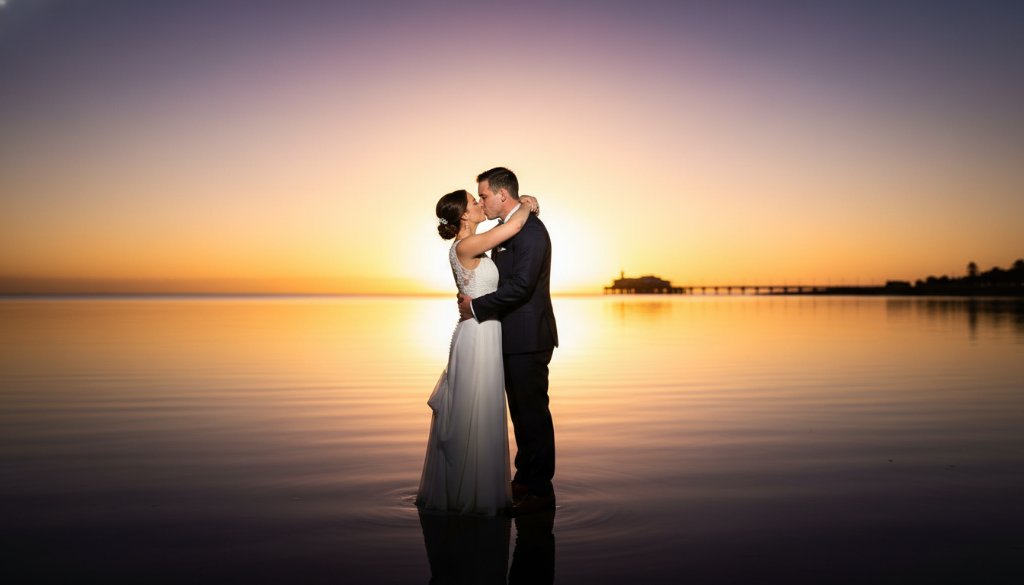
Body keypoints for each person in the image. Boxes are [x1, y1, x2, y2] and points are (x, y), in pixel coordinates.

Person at [417, 188, 539, 516]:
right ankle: (472, 495)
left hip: (485, 331)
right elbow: (511, 228)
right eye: (474, 201)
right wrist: (524, 204)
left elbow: (503, 235)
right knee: (475, 408)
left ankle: (478, 488)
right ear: (464, 216)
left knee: (482, 408)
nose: (480, 204)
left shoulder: (475, 242)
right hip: (477, 335)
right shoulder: (467, 245)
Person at [458, 167, 558, 515]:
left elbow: (521, 287)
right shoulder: (508, 227)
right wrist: (528, 204)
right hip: (510, 336)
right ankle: (524, 479)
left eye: (484, 195)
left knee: (533, 414)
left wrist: (476, 307)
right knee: (521, 413)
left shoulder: (530, 232)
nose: (481, 202)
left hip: (529, 337)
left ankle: (539, 488)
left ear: (502, 194)